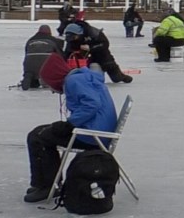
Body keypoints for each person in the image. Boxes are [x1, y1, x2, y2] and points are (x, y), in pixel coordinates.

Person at [23, 52, 118, 202]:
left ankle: (47, 186)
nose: (52, 90)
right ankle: (43, 183)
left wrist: (70, 123)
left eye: (49, 85)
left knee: (38, 137)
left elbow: (92, 104)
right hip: (99, 130)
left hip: (93, 135)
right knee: (40, 132)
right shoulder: (83, 77)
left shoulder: (74, 81)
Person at [70, 13, 133, 83]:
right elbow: (69, 49)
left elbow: (105, 44)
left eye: (74, 37)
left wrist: (90, 48)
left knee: (115, 77)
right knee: (94, 74)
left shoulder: (93, 32)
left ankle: (122, 77)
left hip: (103, 55)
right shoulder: (72, 36)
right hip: (89, 58)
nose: (73, 39)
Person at [21, 24, 64, 89]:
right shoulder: (53, 40)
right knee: (48, 72)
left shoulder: (30, 40)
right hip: (46, 63)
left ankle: (28, 81)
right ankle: (47, 82)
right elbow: (60, 54)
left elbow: (26, 52)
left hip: (30, 62)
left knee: (30, 74)